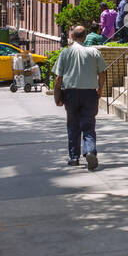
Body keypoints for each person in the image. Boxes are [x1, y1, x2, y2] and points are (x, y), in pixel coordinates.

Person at [53, 25, 108, 169]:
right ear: (85, 37)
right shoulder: (94, 52)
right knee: (89, 125)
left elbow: (58, 78)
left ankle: (74, 158)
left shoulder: (65, 53)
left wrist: (57, 96)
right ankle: (89, 150)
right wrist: (100, 88)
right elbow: (102, 72)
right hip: (89, 93)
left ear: (71, 36)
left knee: (73, 126)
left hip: (70, 93)